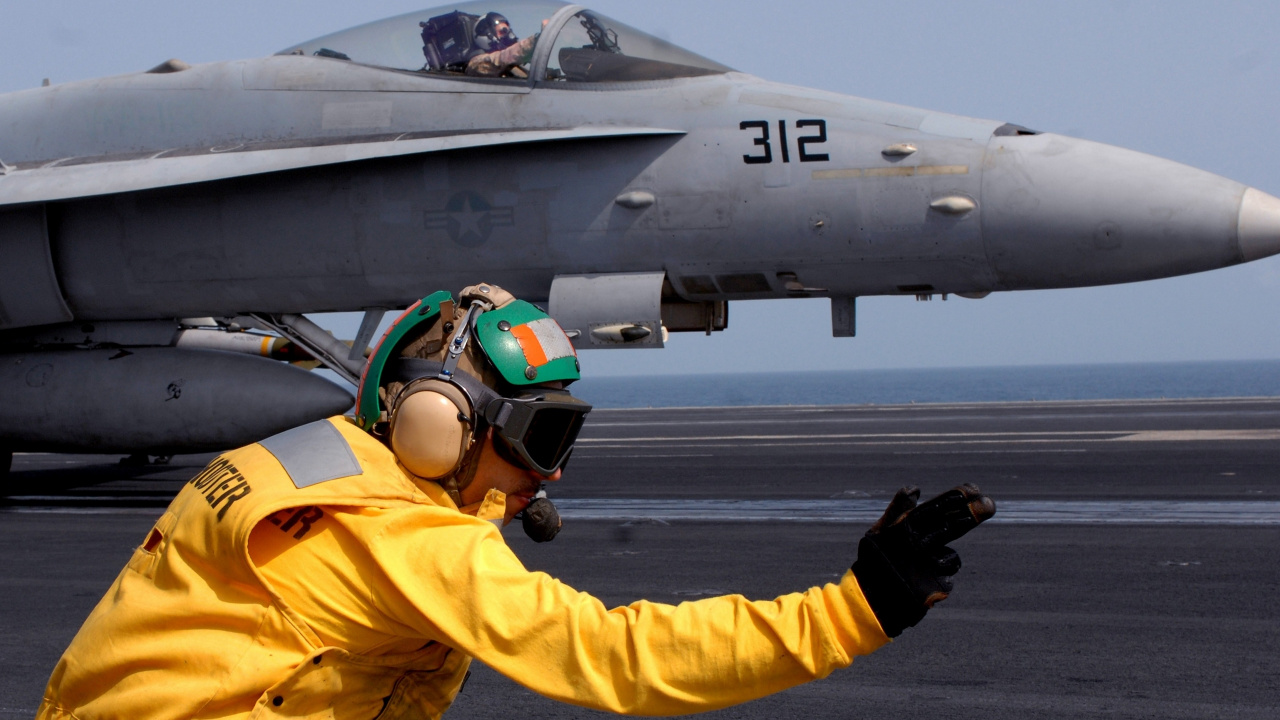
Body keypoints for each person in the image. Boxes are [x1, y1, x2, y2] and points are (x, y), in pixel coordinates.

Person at [36, 283, 996, 720]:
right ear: (437, 428)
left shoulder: (293, 461)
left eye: (565, 435)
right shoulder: (411, 543)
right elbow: (621, 661)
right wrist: (853, 611)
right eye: (539, 440)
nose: (555, 473)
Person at [465, 13, 540, 77]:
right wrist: (536, 40)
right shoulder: (476, 63)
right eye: (503, 31)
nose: (509, 35)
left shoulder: (512, 63)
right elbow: (502, 57)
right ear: (487, 36)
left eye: (508, 31)